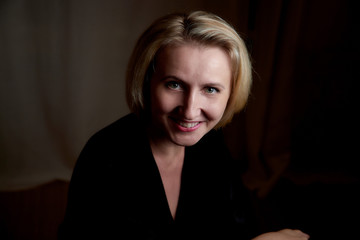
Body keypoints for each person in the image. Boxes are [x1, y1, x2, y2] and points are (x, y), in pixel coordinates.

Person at [58, 11, 309, 240]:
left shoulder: (211, 145)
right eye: (174, 84)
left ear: (231, 95)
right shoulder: (105, 158)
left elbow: (236, 228)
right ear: (147, 81)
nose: (190, 111)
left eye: (210, 89)